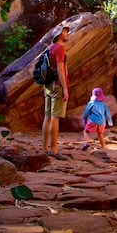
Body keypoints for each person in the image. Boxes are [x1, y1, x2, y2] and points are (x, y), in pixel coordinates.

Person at [42, 26, 70, 160]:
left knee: (47, 117)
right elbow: (60, 69)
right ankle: (54, 149)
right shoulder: (59, 48)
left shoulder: (49, 48)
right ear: (59, 34)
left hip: (48, 85)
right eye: (65, 31)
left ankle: (44, 149)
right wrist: (65, 88)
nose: (67, 33)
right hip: (57, 85)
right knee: (55, 117)